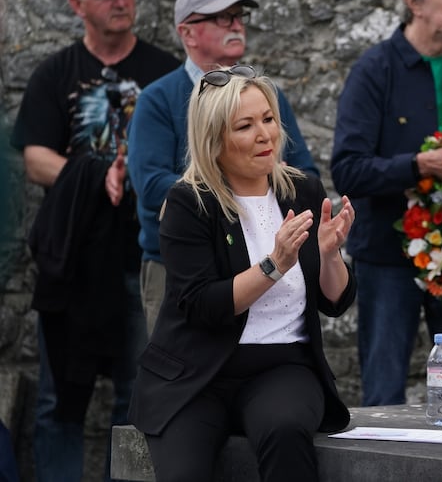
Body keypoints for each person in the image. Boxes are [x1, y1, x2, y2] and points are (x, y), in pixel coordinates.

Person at [127, 66, 356, 482]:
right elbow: (202, 305)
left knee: (286, 433)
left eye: (268, 119)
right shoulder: (189, 202)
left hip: (282, 367)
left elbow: (334, 301)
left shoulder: (302, 190)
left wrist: (330, 255)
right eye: (245, 126)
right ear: (214, 139)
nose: (265, 134)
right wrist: (274, 265)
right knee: (183, 473)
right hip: (194, 374)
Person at [9, 0, 181, 481]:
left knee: (139, 396)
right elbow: (34, 157)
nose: (120, 1)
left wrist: (135, 175)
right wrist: (95, 176)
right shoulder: (56, 72)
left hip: (142, 256)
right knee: (61, 400)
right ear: (76, 3)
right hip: (75, 264)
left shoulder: (163, 72)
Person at [331, 0, 442, 407]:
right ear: (414, 2)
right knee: (384, 390)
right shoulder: (373, 70)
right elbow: (346, 169)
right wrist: (417, 166)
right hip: (388, 252)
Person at [128, 0, 319, 336]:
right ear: (187, 33)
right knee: (185, 378)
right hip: (181, 269)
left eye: (238, 16)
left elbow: (304, 174)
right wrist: (243, 185)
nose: (235, 25)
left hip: (268, 261)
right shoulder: (157, 99)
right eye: (221, 17)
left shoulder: (266, 95)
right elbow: (152, 186)